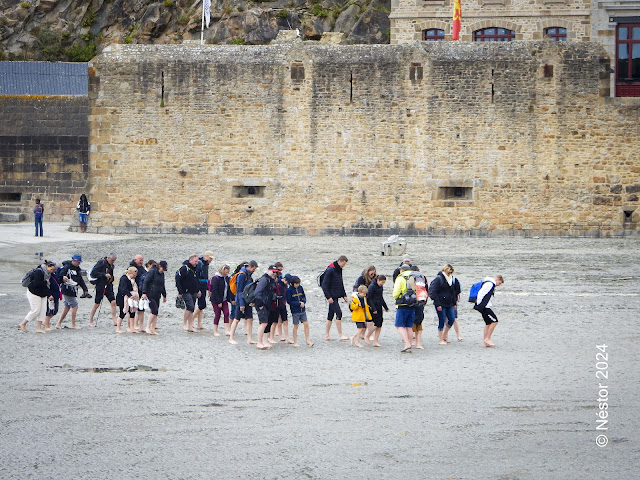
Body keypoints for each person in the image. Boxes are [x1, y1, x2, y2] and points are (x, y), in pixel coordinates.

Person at [20, 260, 56, 333]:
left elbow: (46, 287)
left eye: (53, 270)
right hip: (33, 292)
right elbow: (36, 284)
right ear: (47, 267)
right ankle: (23, 323)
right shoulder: (38, 272)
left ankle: (38, 328)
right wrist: (46, 282)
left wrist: (49, 295)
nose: (52, 271)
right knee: (35, 310)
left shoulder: (48, 274)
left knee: (42, 311)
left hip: (42, 293)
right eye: (51, 269)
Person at [55, 254, 90, 329]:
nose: (79, 263)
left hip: (74, 289)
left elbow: (80, 279)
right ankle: (73, 324)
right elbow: (59, 277)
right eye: (78, 262)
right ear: (73, 261)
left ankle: (58, 323)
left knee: (67, 306)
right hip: (66, 288)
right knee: (75, 306)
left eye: (79, 262)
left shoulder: (77, 269)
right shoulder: (66, 267)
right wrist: (62, 278)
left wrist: (85, 289)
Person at [228, 260, 258, 345]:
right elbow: (239, 290)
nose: (254, 270)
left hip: (247, 300)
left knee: (250, 319)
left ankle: (249, 339)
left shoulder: (248, 274)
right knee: (237, 319)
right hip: (241, 300)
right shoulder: (242, 275)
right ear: (251, 266)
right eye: (254, 268)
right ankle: (231, 338)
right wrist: (241, 303)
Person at [320, 255, 349, 341]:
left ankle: (326, 335)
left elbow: (340, 282)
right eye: (344, 264)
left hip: (336, 295)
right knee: (339, 313)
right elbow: (324, 285)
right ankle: (340, 335)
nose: (344, 265)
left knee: (330, 315)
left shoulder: (338, 269)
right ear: (340, 261)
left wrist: (344, 295)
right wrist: (328, 297)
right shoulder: (330, 270)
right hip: (331, 296)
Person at [429, 264, 457, 346]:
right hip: (440, 303)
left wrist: (454, 303)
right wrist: (438, 304)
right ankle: (440, 339)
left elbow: (453, 292)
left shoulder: (451, 279)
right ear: (445, 271)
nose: (449, 274)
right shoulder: (439, 279)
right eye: (448, 272)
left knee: (452, 319)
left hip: (449, 303)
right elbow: (433, 292)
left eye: (451, 273)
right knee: (442, 320)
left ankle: (444, 335)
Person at [88, 253, 118, 328]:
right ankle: (90, 321)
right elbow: (93, 273)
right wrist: (104, 274)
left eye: (114, 260)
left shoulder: (111, 265)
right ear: (108, 258)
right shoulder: (101, 262)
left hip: (108, 285)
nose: (113, 262)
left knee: (113, 302)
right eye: (112, 260)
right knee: (97, 304)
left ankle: (115, 320)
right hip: (100, 285)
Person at [474, 275, 504, 347]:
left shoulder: (488, 283)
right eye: (499, 283)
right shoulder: (490, 284)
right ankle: (487, 339)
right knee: (494, 321)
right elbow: (481, 294)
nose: (498, 285)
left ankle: (485, 342)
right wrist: (481, 305)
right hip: (485, 306)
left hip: (482, 306)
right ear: (497, 279)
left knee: (488, 323)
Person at [393, 264, 417, 352]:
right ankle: (409, 345)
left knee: (399, 325)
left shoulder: (400, 278)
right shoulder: (414, 277)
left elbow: (396, 293)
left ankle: (407, 344)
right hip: (413, 304)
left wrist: (396, 298)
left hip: (402, 304)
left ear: (401, 270)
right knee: (409, 326)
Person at [254, 265, 278, 350]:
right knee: (263, 323)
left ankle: (264, 341)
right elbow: (257, 292)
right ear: (268, 270)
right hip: (261, 304)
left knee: (266, 323)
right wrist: (260, 304)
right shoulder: (264, 279)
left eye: (276, 272)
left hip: (267, 304)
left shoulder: (271, 280)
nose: (275, 273)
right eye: (273, 271)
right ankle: (259, 342)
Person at [176, 254, 201, 333]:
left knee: (192, 308)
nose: (196, 263)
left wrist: (198, 290)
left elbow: (197, 280)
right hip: (185, 291)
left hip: (194, 291)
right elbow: (178, 280)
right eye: (195, 261)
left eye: (197, 261)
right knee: (190, 306)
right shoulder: (184, 268)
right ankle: (184, 323)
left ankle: (190, 325)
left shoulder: (196, 268)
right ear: (190, 260)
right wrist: (180, 291)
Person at [142, 260, 168, 335]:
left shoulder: (162, 274)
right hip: (150, 294)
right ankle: (147, 327)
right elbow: (146, 282)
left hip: (158, 295)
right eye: (162, 269)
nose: (163, 271)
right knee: (154, 310)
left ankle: (152, 329)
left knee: (156, 312)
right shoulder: (152, 271)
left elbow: (162, 285)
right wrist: (144, 293)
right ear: (159, 266)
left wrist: (164, 295)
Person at [286, 276, 313, 347]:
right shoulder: (289, 290)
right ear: (292, 283)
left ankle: (307, 340)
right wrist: (298, 304)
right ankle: (295, 342)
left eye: (298, 283)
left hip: (302, 310)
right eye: (296, 284)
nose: (297, 285)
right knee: (296, 325)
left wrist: (303, 302)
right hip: (295, 311)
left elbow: (304, 296)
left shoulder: (300, 288)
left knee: (306, 324)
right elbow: (289, 301)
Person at [194, 251, 215, 330]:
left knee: (201, 305)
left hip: (204, 286)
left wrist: (208, 288)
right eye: (210, 258)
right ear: (206, 256)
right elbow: (197, 276)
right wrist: (198, 289)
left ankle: (199, 324)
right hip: (199, 286)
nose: (211, 260)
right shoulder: (200, 263)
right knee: (202, 305)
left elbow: (206, 277)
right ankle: (191, 320)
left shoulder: (206, 264)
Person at [366, 274, 389, 347]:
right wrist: (373, 308)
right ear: (378, 280)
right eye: (382, 282)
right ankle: (368, 336)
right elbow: (369, 298)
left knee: (380, 324)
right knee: (376, 323)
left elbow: (381, 297)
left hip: (379, 307)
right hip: (373, 307)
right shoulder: (372, 286)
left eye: (384, 283)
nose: (382, 284)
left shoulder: (380, 287)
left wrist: (385, 307)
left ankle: (375, 341)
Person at [209, 264, 231, 336]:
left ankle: (227, 330)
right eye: (226, 271)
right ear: (222, 270)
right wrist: (219, 302)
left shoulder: (226, 278)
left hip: (224, 299)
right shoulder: (216, 278)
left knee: (226, 313)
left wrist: (231, 299)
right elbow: (214, 290)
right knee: (217, 314)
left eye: (228, 272)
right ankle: (215, 331)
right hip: (215, 299)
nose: (227, 273)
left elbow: (228, 289)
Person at [273, 262, 292, 344]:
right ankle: (280, 336)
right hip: (277, 304)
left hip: (283, 304)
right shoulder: (278, 284)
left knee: (285, 321)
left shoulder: (285, 285)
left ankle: (287, 337)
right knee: (278, 321)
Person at [116, 266, 139, 334]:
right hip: (122, 298)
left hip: (132, 298)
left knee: (132, 312)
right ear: (130, 273)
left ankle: (131, 328)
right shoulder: (124, 278)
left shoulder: (134, 280)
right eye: (134, 275)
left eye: (135, 275)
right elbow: (122, 289)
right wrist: (129, 295)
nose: (135, 276)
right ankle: (118, 328)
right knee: (122, 313)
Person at [129, 254, 146, 332]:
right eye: (140, 260)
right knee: (132, 309)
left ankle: (140, 326)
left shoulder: (141, 268)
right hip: (133, 291)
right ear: (135, 260)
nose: (141, 262)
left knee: (141, 309)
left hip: (141, 291)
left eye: (142, 260)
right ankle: (132, 325)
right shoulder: (131, 268)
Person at [43, 265, 61, 331]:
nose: (53, 271)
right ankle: (47, 325)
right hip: (51, 295)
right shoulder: (47, 276)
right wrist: (49, 295)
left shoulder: (53, 275)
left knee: (55, 311)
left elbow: (58, 282)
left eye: (54, 269)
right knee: (50, 311)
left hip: (56, 294)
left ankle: (45, 322)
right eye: (52, 269)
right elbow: (46, 286)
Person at [451, 274, 463, 341]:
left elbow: (459, 290)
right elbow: (459, 290)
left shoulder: (454, 280)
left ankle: (458, 335)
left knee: (453, 319)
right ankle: (458, 335)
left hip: (452, 302)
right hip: (453, 301)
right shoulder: (454, 279)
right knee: (454, 319)